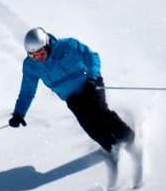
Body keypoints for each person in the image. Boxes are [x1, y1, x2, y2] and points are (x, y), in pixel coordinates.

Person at [9, 26, 135, 159]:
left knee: (100, 113)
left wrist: (91, 78)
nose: (38, 58)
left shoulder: (68, 45)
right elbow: (27, 91)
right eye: (33, 56)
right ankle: (113, 148)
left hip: (89, 84)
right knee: (89, 124)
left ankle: (130, 139)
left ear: (47, 45)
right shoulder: (31, 66)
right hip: (72, 97)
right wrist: (19, 113)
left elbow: (92, 57)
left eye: (41, 54)